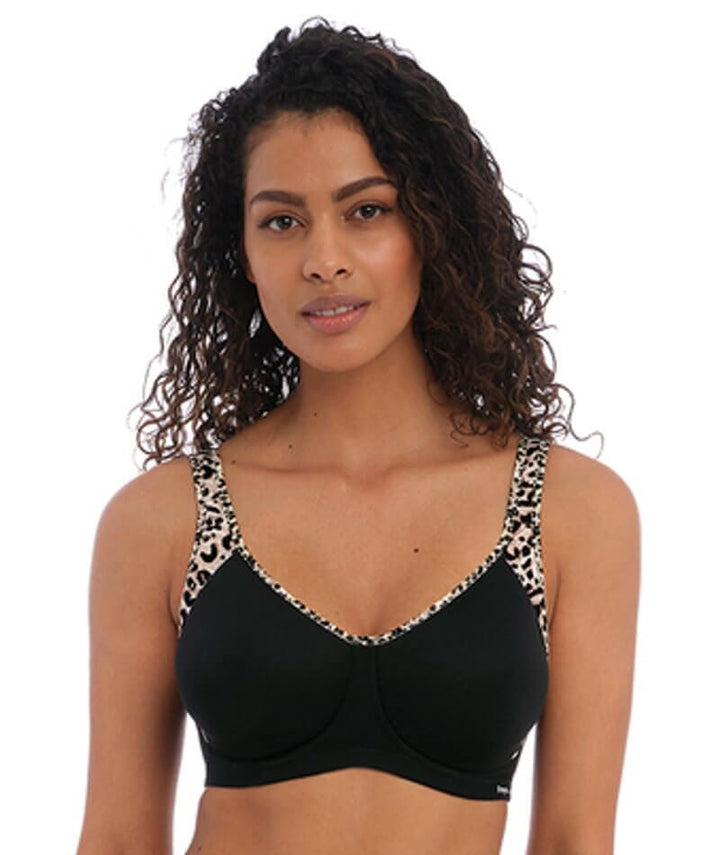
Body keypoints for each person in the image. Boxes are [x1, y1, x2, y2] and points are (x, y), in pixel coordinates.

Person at [76, 19, 640, 855]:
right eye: (282, 221)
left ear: (432, 227)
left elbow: (572, 840)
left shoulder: (570, 509)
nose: (324, 259)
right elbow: (119, 839)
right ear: (243, 253)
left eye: (366, 210)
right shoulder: (162, 520)